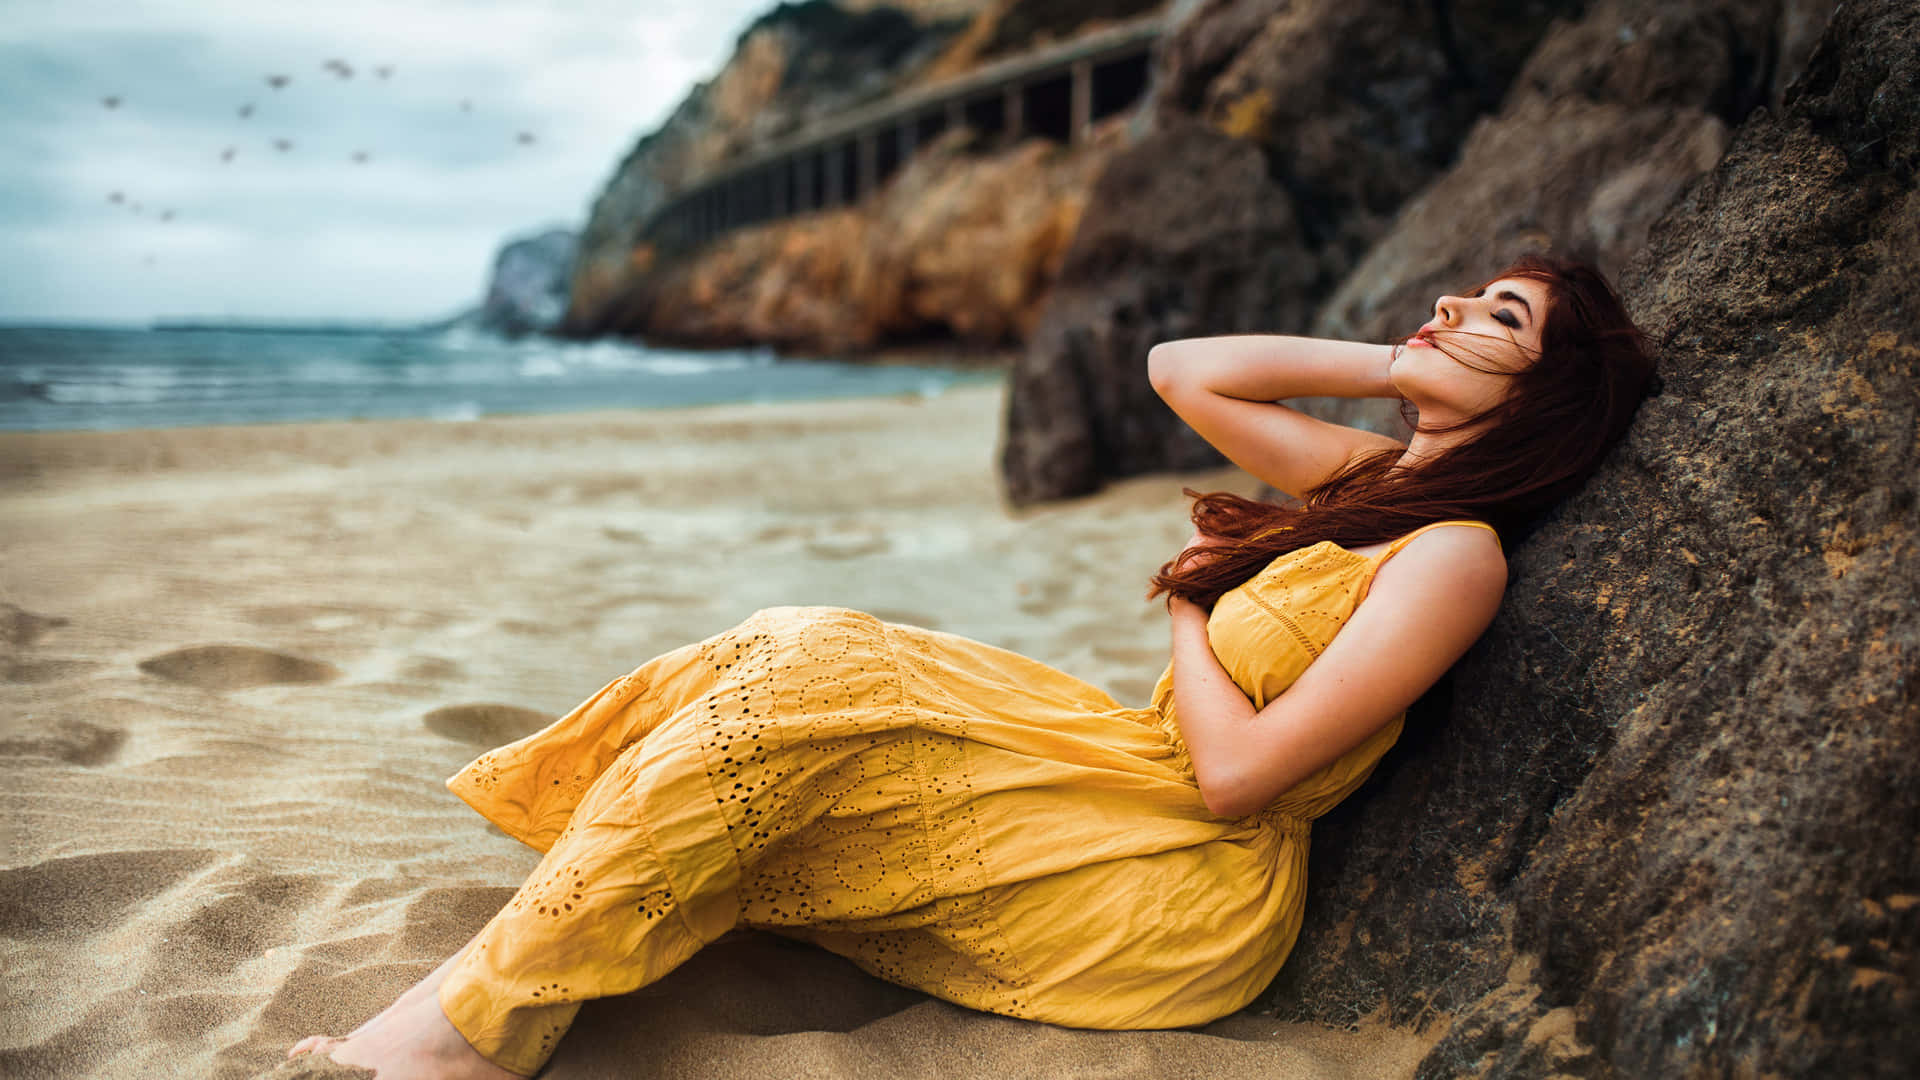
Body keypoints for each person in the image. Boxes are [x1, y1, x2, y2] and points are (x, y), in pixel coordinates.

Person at [289, 254, 1655, 1078]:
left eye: (1502, 318)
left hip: (1170, 865)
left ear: (1546, 397)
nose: (1451, 303)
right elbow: (1186, 370)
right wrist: (1414, 360)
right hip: (1117, 760)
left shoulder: (1456, 555)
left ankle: (465, 1032)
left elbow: (1241, 778)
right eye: (1464, 293)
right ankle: (499, 976)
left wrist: (1196, 600)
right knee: (800, 644)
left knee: (812, 710)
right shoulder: (1379, 484)